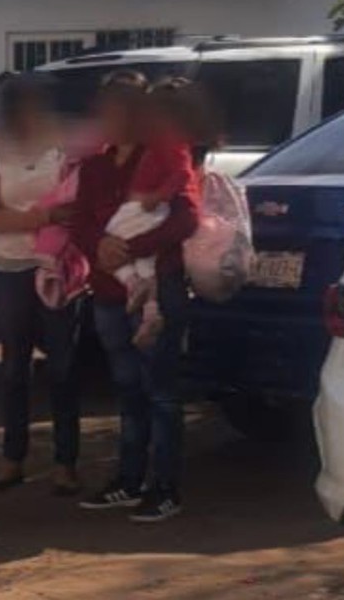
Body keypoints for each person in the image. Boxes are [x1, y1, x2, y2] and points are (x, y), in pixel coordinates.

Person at [73, 72, 201, 523]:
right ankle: (128, 480)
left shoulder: (164, 155)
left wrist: (134, 247)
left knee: (161, 392)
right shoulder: (94, 165)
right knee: (127, 391)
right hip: (109, 291)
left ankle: (164, 487)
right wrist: (100, 248)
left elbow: (187, 217)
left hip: (157, 290)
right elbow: (80, 221)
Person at [0, 73, 84, 496]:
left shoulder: (64, 149)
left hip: (57, 267)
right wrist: (46, 218)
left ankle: (65, 462)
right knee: (14, 368)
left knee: (63, 366)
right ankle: (12, 458)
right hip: (10, 268)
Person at [100, 75, 202, 348]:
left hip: (162, 257)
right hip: (152, 264)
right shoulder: (114, 155)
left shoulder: (173, 144)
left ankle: (140, 293)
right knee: (146, 272)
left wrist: (130, 246)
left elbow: (188, 215)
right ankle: (149, 312)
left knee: (116, 237)